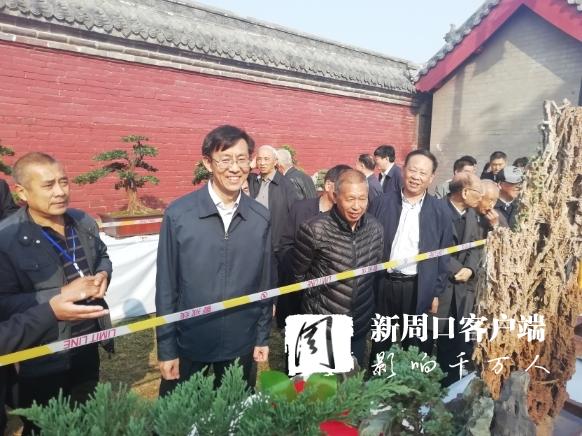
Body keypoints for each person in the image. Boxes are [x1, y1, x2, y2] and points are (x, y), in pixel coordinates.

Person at [0, 152, 113, 435]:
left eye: (64, 182)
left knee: (86, 416)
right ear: (22, 192)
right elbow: (4, 303)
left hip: (87, 341)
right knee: (46, 425)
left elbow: (102, 255)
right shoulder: (6, 239)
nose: (61, 192)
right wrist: (60, 294)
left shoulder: (82, 221)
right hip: (41, 354)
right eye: (48, 185)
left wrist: (103, 274)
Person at [155, 125, 273, 395]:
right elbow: (166, 286)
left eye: (242, 159)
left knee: (234, 412)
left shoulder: (259, 216)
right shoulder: (179, 215)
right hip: (190, 340)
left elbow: (265, 282)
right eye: (225, 159)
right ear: (208, 163)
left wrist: (261, 335)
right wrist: (167, 348)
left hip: (240, 341)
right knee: (180, 413)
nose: (235, 168)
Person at [291, 170, 384, 366]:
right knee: (317, 383)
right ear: (335, 196)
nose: (357, 206)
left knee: (351, 381)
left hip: (358, 324)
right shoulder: (314, 229)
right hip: (321, 325)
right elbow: (297, 277)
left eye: (362, 199)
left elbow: (374, 275)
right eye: (350, 199)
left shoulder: (375, 229)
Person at [369, 149, 453, 361]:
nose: (416, 177)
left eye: (423, 173)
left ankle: (413, 381)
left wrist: (435, 292)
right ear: (403, 170)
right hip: (384, 283)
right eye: (413, 170)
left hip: (417, 286)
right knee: (381, 342)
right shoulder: (381, 202)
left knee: (414, 346)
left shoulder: (440, 211)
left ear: (431, 178)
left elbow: (443, 255)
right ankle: (378, 377)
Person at [0, 279, 108, 434]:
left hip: (82, 352)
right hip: (41, 366)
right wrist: (53, 306)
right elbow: (5, 305)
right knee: (43, 424)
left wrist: (103, 272)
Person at [276, 164, 351, 329]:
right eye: (344, 187)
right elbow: (286, 245)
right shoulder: (300, 208)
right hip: (298, 290)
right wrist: (301, 267)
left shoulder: (347, 216)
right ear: (329, 186)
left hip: (330, 296)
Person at [435, 173, 484, 386]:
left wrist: (470, 269)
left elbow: (476, 246)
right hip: (439, 286)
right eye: (478, 193)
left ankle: (449, 388)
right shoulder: (436, 210)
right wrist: (456, 268)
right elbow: (431, 248)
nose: (481, 198)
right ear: (464, 192)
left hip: (462, 289)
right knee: (427, 340)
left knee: (455, 343)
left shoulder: (472, 214)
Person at [249, 145, 299, 272]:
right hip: (253, 244)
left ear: (275, 161)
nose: (262, 163)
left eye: (266, 159)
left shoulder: (285, 185)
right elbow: (232, 177)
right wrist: (250, 166)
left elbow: (295, 216)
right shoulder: (252, 180)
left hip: (276, 248)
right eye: (259, 159)